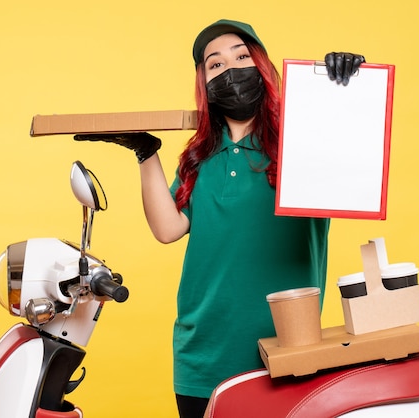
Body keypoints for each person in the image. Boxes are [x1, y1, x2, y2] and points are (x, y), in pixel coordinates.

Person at [74, 19, 365, 418]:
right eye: (215, 64)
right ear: (205, 85)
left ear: (261, 68)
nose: (230, 69)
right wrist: (145, 153)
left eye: (241, 57)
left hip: (287, 352)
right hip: (203, 355)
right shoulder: (201, 157)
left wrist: (341, 92)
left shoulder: (301, 145)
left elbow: (353, 169)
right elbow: (167, 228)